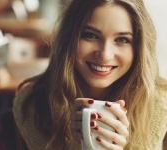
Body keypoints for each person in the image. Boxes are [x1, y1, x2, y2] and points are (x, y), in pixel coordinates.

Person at [13, 0, 167, 149]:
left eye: (122, 39)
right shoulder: (32, 103)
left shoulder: (159, 102)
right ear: (69, 38)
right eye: (91, 35)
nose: (105, 55)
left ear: (139, 48)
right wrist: (79, 143)